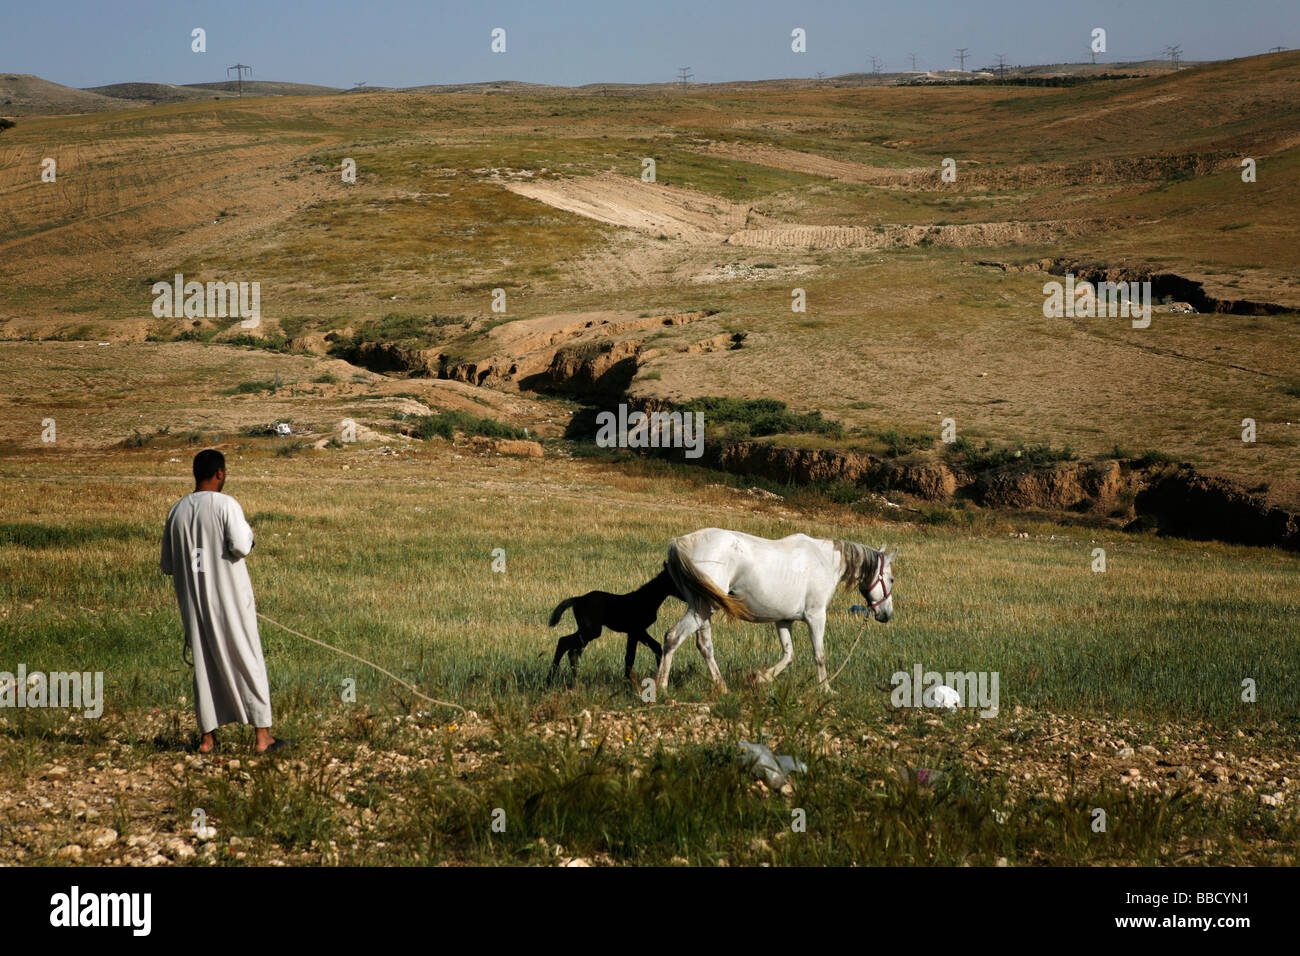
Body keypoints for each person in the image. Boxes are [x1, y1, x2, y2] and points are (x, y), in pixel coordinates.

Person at [161, 449, 289, 754]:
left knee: (204, 667)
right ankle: (262, 737)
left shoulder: (176, 511)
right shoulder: (226, 504)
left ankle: (207, 740)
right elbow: (242, 546)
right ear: (220, 473)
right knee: (247, 658)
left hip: (194, 605)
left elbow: (168, 565)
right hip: (230, 601)